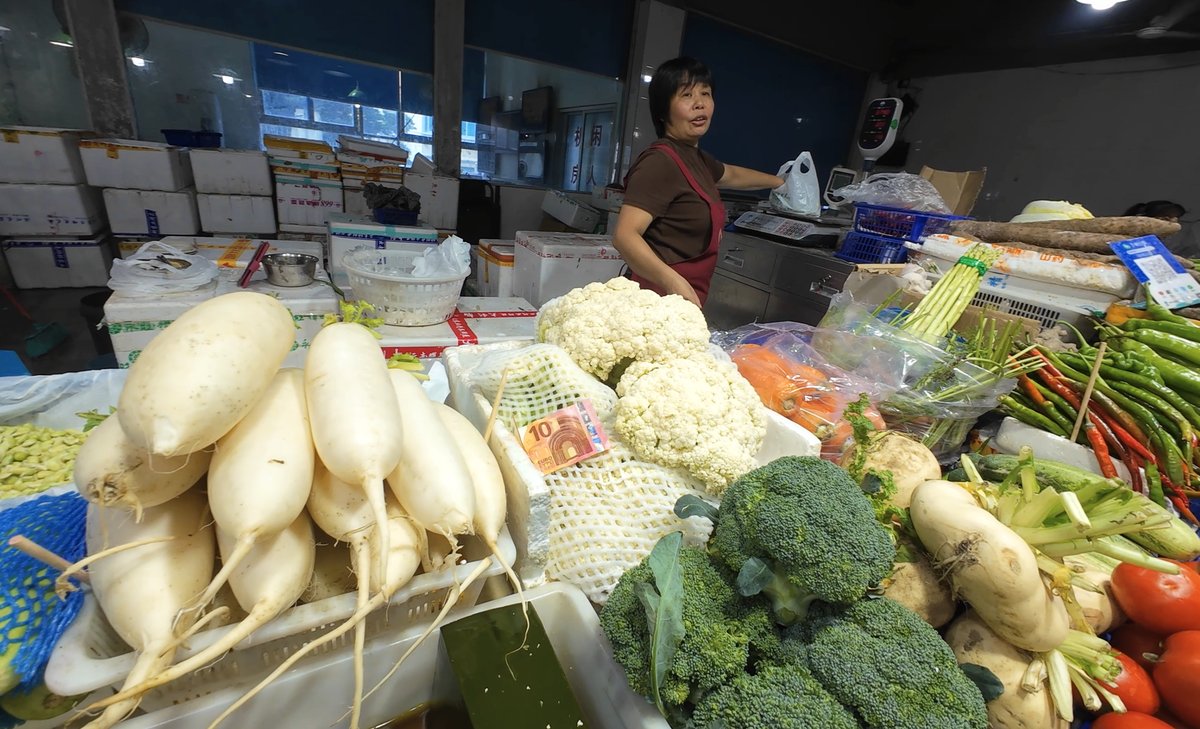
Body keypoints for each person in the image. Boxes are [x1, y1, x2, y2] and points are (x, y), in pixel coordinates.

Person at [613, 57, 786, 307]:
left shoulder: (697, 159)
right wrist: (674, 283)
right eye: (686, 95)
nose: (699, 104)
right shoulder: (660, 161)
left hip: (682, 299)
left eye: (705, 93)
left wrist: (780, 182)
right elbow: (625, 235)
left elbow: (732, 175)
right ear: (662, 111)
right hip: (655, 299)